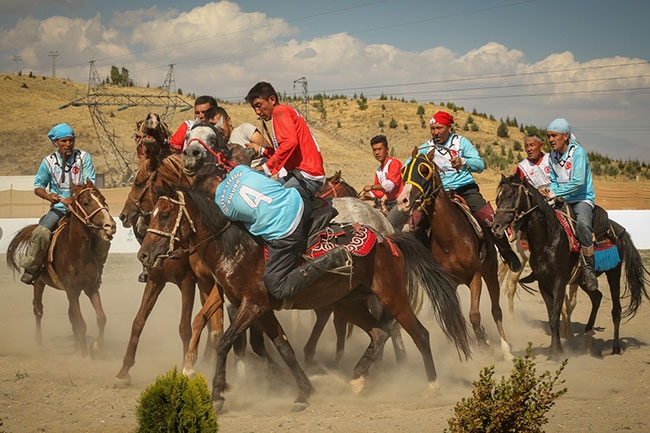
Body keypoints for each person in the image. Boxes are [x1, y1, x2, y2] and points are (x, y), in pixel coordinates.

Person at [215, 164, 349, 309]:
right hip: (300, 197)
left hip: (288, 227)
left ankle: (331, 258)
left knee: (275, 284)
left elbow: (248, 223)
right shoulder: (241, 169)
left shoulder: (224, 207)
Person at [413, 111, 522, 272]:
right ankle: (421, 263)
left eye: (439, 128)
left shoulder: (461, 142)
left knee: (487, 218)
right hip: (438, 194)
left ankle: (506, 252)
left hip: (465, 189)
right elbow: (410, 164)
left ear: (449, 128)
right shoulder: (426, 147)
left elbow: (479, 164)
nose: (435, 132)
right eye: (432, 128)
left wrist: (463, 162)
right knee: (417, 223)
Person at [19, 123, 109, 284]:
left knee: (104, 236)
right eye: (64, 141)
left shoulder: (83, 158)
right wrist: (48, 196)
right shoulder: (48, 162)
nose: (68, 144)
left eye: (71, 140)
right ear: (56, 143)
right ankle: (32, 268)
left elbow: (90, 183)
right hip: (59, 209)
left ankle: (98, 269)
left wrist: (73, 199)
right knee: (41, 233)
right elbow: (38, 186)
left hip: (82, 209)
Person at [244, 81, 326, 210]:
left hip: (306, 176)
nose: (257, 112)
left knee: (272, 206)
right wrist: (261, 149)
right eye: (254, 108)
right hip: (299, 173)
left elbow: (290, 143)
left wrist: (266, 168)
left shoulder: (279, 111)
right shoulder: (283, 112)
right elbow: (283, 150)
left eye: (259, 106)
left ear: (272, 99)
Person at [543, 118, 599, 291]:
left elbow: (578, 182)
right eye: (549, 136)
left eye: (554, 135)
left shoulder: (578, 153)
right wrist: (549, 192)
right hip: (561, 199)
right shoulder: (551, 155)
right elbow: (553, 180)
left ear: (565, 136)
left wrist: (555, 193)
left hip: (582, 199)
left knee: (582, 225)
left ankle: (588, 268)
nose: (551, 139)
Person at [205, 106, 271, 167]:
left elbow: (269, 151)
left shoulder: (244, 130)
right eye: (212, 126)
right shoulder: (216, 147)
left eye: (219, 124)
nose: (217, 129)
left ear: (229, 121)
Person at [360, 134, 404, 212]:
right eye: (374, 150)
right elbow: (378, 192)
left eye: (379, 149)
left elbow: (390, 185)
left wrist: (371, 187)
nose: (377, 153)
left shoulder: (394, 163)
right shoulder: (378, 171)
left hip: (400, 202)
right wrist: (360, 198)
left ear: (387, 150)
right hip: (389, 204)